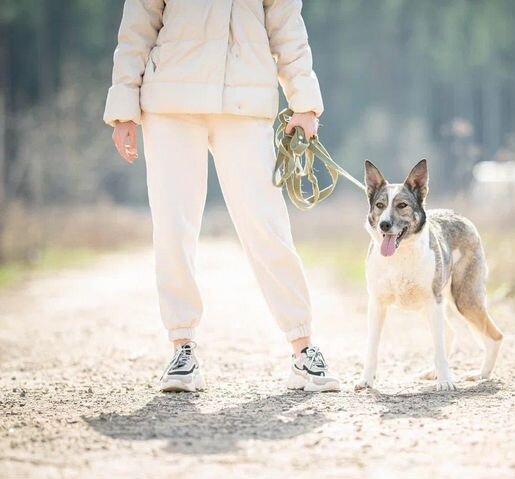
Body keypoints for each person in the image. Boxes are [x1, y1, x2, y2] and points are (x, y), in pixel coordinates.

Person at [104, 0, 340, 392]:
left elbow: (286, 25)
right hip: (169, 103)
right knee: (173, 226)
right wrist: (124, 108)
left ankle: (303, 347)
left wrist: (304, 103)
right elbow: (137, 26)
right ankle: (182, 348)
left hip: (245, 103)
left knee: (267, 223)